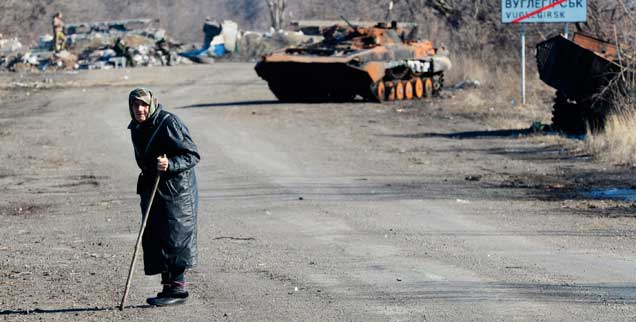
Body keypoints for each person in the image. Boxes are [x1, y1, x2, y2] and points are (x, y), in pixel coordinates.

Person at [127, 88, 200, 306]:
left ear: (152, 105)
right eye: (135, 105)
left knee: (175, 235)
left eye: (144, 105)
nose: (140, 109)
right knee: (158, 235)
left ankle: (177, 289)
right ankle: (168, 287)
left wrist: (170, 164)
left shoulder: (168, 122)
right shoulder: (137, 127)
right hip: (155, 188)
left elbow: (192, 154)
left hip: (177, 191)